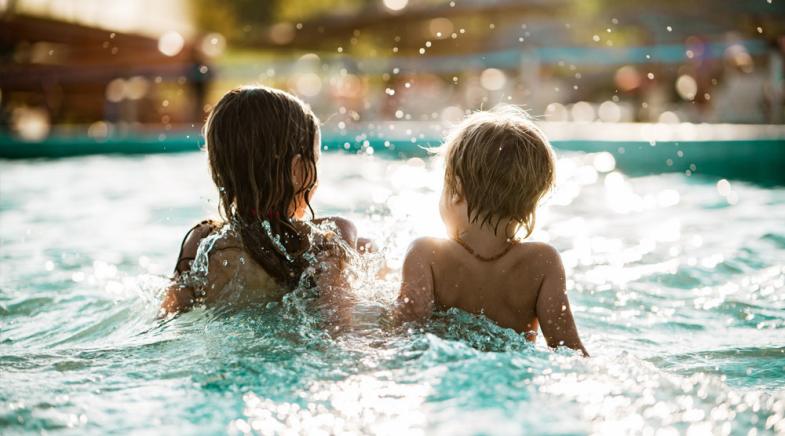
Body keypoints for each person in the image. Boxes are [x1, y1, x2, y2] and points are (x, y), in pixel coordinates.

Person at [395, 106, 588, 356]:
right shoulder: (543, 262)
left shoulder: (426, 253)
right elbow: (569, 350)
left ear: (457, 191)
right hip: (514, 378)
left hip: (448, 371)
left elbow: (404, 337)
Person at [161, 86, 360, 316]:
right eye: (315, 160)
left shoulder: (202, 241)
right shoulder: (328, 236)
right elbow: (338, 324)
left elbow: (168, 316)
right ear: (297, 171)